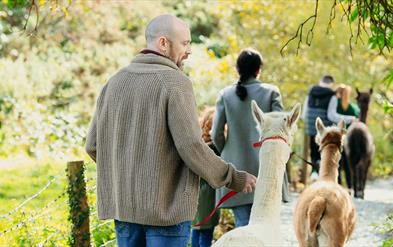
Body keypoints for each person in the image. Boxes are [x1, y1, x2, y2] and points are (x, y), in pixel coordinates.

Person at [85, 14, 256, 247]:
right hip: (166, 212)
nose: (189, 50)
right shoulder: (175, 82)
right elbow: (192, 147)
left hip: (124, 210)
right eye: (185, 43)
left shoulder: (114, 82)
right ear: (163, 43)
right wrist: (234, 177)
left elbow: (93, 145)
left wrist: (129, 176)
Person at [211, 48, 290, 228]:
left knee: (243, 224)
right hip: (267, 167)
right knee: (266, 225)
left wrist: (227, 152)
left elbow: (215, 133)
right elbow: (282, 130)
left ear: (237, 69)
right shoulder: (271, 92)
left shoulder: (225, 94)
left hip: (236, 168)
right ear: (259, 69)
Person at [302, 75, 356, 174]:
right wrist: (350, 119)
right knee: (324, 155)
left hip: (310, 128)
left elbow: (304, 114)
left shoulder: (310, 93)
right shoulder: (332, 96)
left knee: (314, 155)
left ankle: (314, 173)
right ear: (331, 84)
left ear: (320, 81)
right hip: (325, 131)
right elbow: (331, 116)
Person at [191, 107, 220, 247]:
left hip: (195, 192)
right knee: (206, 233)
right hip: (208, 195)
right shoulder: (214, 148)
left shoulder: (197, 144)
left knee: (196, 230)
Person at [331, 84, 359, 187]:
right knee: (348, 163)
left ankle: (338, 184)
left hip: (337, 137)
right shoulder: (353, 108)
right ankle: (350, 186)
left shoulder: (335, 104)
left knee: (338, 162)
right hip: (349, 138)